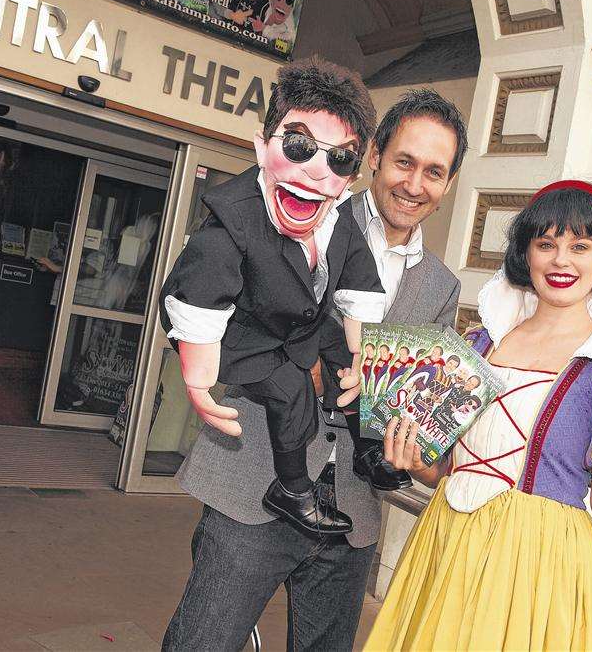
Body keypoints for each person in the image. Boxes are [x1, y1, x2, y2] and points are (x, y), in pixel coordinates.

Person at [162, 88, 466, 651]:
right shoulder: (296, 202)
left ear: (448, 185)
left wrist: (413, 440)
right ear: (372, 156)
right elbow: (218, 324)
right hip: (250, 485)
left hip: (351, 509)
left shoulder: (443, 288)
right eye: (404, 161)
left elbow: (415, 400)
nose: (414, 184)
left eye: (434, 171)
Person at [365, 180, 592, 651]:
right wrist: (416, 459)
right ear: (526, 254)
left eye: (580, 246)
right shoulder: (479, 344)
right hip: (447, 546)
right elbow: (443, 472)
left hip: (541, 568)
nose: (561, 260)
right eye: (546, 244)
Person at [159, 58, 387, 536]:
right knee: (292, 393)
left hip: (295, 322)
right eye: (299, 145)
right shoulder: (232, 222)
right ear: (263, 148)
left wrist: (361, 354)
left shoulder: (340, 217)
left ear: (351, 175)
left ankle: (366, 445)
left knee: (346, 355)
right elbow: (199, 296)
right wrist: (199, 384)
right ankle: (291, 488)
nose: (315, 171)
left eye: (339, 158)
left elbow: (357, 282)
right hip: (242, 336)